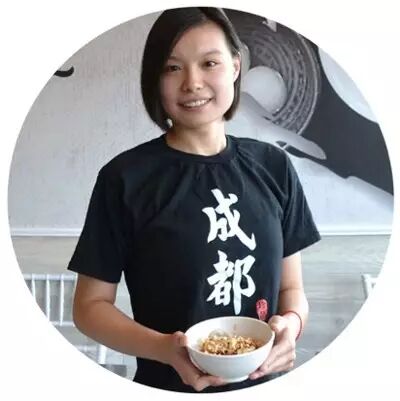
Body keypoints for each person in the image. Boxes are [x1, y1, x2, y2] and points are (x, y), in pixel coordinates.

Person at [68, 7, 321, 393]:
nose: (192, 82)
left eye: (209, 63)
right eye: (172, 68)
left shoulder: (275, 166)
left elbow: (292, 292)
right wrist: (164, 349)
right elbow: (89, 308)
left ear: (235, 67)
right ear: (155, 79)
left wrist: (292, 325)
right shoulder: (124, 178)